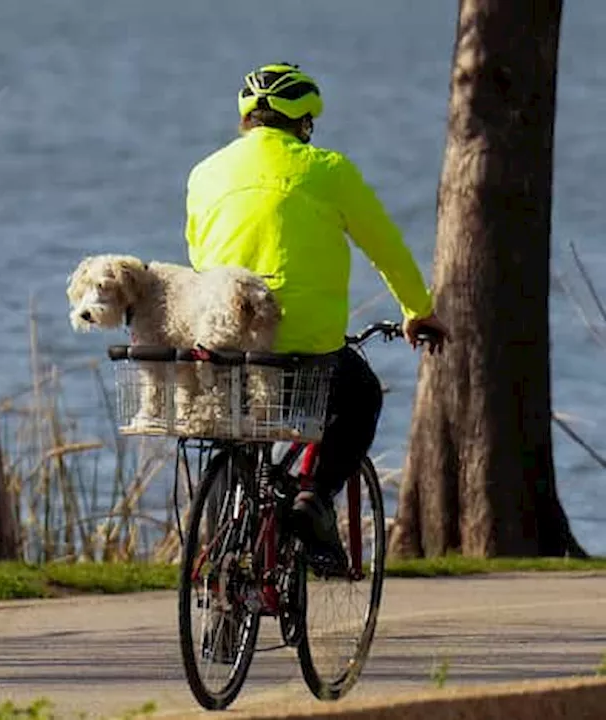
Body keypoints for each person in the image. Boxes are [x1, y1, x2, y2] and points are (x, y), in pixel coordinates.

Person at [183, 62, 449, 570]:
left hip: (224, 336)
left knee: (238, 421)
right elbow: (386, 248)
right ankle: (313, 498)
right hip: (305, 343)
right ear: (304, 121)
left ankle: (225, 548)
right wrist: (418, 311)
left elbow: (200, 257)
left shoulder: (204, 173)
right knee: (361, 396)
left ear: (248, 119)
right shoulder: (329, 170)